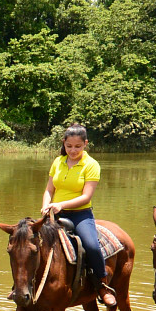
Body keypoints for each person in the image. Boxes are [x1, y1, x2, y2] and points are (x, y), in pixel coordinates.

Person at [41, 123, 106, 295]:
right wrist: (45, 206)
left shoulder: (91, 165)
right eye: (69, 146)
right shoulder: (58, 162)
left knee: (91, 246)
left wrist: (61, 204)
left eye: (78, 146)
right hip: (54, 212)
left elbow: (86, 197)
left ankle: (102, 284)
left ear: (85, 144)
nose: (73, 150)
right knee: (28, 241)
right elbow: (49, 189)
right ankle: (24, 285)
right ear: (63, 143)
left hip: (80, 215)